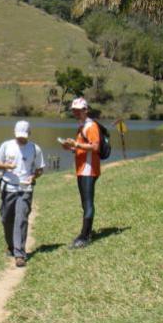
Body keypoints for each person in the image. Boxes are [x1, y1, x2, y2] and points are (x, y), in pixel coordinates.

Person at [0, 121, 45, 267]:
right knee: (6, 219)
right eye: (19, 136)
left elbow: (40, 168)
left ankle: (19, 254)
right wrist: (5, 166)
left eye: (24, 136)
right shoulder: (6, 145)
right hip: (8, 188)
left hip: (25, 189)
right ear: (14, 132)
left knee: (21, 219)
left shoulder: (35, 149)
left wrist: (34, 177)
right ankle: (11, 246)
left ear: (29, 134)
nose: (21, 138)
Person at [60, 97, 100, 249]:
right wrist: (71, 147)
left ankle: (85, 236)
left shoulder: (91, 126)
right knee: (84, 202)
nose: (76, 113)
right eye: (74, 110)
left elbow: (95, 147)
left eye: (78, 110)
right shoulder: (81, 125)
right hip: (82, 169)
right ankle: (86, 233)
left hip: (89, 169)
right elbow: (82, 148)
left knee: (88, 202)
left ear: (86, 110)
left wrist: (76, 144)